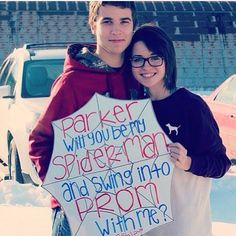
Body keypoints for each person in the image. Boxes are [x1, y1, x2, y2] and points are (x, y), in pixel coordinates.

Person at [29, 2, 137, 235]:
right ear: (93, 25)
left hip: (125, 209)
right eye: (107, 21)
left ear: (133, 26)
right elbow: (39, 140)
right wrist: (64, 192)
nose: (116, 30)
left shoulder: (137, 76)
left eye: (124, 21)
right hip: (76, 214)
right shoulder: (72, 82)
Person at [125, 25, 231, 236]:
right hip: (144, 228)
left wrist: (189, 162)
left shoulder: (191, 105)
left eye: (155, 57)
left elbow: (221, 163)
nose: (146, 66)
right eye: (138, 59)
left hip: (186, 228)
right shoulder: (131, 109)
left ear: (167, 59)